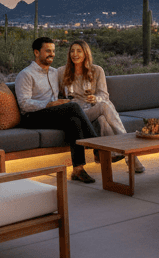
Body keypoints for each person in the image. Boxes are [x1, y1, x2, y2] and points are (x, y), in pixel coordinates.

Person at [16, 37, 101, 184]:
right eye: (48, 51)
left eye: (53, 51)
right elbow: (24, 104)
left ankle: (78, 169)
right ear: (36, 52)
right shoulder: (26, 74)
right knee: (73, 107)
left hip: (52, 114)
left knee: (74, 120)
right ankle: (98, 147)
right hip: (32, 117)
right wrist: (49, 104)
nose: (52, 54)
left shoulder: (55, 73)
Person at [62, 40, 145, 174]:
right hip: (77, 112)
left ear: (86, 53)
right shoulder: (62, 72)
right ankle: (130, 153)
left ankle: (114, 157)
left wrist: (96, 98)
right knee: (105, 108)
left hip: (92, 108)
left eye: (79, 51)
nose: (75, 54)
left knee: (103, 117)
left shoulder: (97, 70)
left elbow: (104, 95)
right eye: (72, 51)